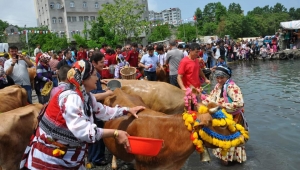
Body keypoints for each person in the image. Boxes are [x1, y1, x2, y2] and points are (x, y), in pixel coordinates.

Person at [20, 60, 145, 170]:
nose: (98, 79)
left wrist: (127, 110)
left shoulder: (85, 95)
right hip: (52, 159)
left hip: (69, 157)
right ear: (84, 79)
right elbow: (85, 132)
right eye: (94, 75)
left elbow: (103, 111)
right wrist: (116, 133)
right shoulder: (71, 98)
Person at [202, 66, 247, 165]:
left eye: (222, 78)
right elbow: (211, 98)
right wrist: (200, 100)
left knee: (231, 142)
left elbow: (240, 103)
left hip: (233, 118)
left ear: (227, 77)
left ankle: (230, 160)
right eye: (217, 78)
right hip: (222, 117)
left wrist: (221, 106)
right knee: (223, 141)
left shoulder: (232, 87)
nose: (219, 80)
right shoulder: (218, 86)